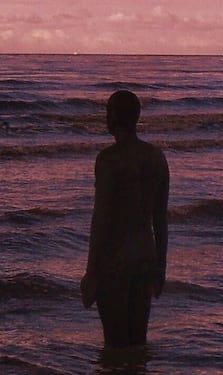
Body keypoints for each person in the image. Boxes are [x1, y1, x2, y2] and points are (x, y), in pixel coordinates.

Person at [81, 90, 170, 348]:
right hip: (145, 258)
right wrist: (161, 267)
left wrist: (91, 272)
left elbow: (101, 220)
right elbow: (160, 219)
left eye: (108, 111)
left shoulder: (109, 160)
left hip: (115, 262)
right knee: (137, 343)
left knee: (115, 345)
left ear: (115, 116)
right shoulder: (156, 157)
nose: (105, 117)